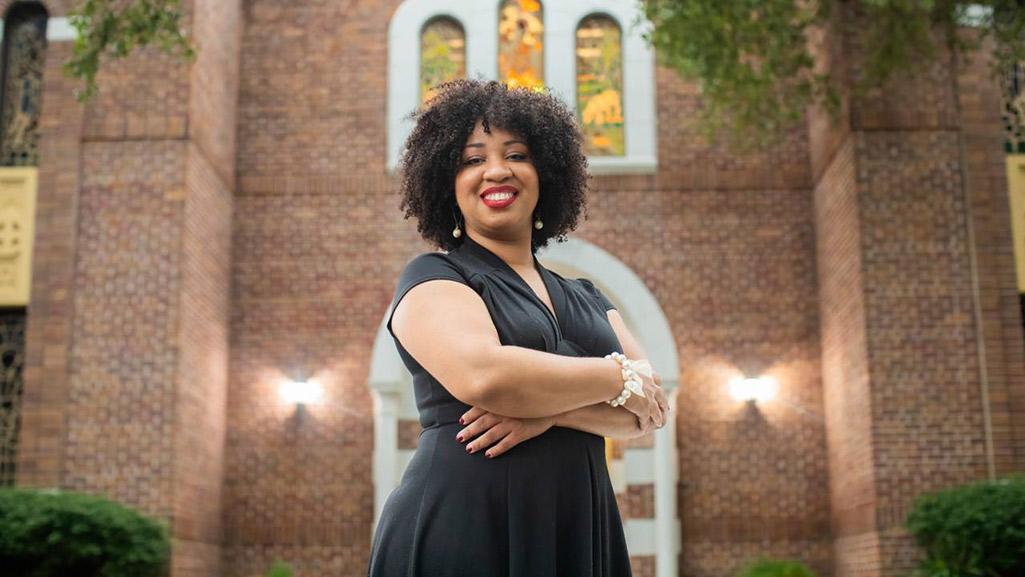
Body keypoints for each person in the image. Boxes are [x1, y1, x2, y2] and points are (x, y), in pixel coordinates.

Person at [366, 79, 670, 577]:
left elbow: (650, 410)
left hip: (578, 525)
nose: (496, 170)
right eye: (471, 159)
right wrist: (619, 377)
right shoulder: (434, 276)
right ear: (447, 183)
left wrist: (546, 417)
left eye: (516, 154)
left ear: (546, 172)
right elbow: (487, 377)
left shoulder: (588, 296)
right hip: (466, 522)